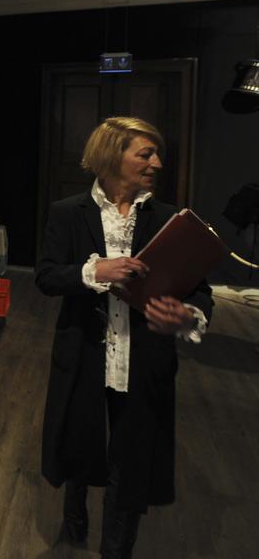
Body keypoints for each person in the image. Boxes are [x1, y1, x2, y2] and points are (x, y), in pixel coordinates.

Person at [35, 117, 212, 559]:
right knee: (80, 440)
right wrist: (95, 270)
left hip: (145, 358)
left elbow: (200, 293)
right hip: (83, 352)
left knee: (131, 462)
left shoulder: (171, 220)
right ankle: (74, 520)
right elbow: (46, 276)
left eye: (158, 156)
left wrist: (185, 316)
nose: (156, 163)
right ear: (113, 155)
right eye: (145, 154)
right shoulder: (67, 212)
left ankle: (117, 551)